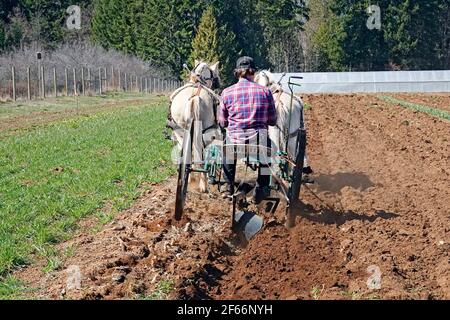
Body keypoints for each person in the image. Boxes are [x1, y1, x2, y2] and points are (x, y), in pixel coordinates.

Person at [219, 56, 277, 204]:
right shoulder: (266, 92)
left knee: (226, 149)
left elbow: (223, 122)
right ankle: (263, 186)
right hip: (259, 143)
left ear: (237, 72)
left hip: (235, 144)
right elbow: (272, 120)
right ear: (253, 72)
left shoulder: (226, 92)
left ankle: (227, 185)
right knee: (269, 153)